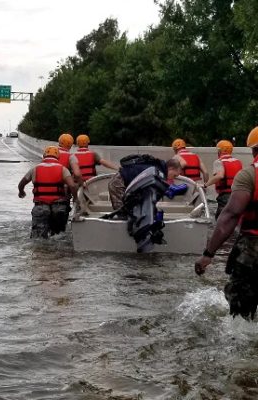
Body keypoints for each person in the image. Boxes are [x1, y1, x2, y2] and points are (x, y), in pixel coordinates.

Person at [195, 127, 258, 320]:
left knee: (241, 314)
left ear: (253, 149)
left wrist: (208, 254)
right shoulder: (239, 167)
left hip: (253, 246)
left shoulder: (249, 175)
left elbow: (230, 215)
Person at [18, 145, 78, 238]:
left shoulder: (35, 169)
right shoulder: (63, 169)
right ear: (58, 156)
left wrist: (21, 192)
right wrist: (75, 199)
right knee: (59, 237)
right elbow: (72, 186)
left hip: (40, 206)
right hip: (59, 207)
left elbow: (21, 183)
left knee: (38, 238)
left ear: (44, 155)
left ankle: (41, 251)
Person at [108, 155, 182, 216]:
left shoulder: (157, 167)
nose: (173, 178)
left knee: (129, 212)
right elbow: (149, 193)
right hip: (118, 183)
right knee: (122, 213)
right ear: (171, 168)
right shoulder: (158, 172)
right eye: (174, 175)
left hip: (122, 181)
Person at [202, 140, 243, 220]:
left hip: (226, 195)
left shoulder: (219, 162)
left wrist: (205, 185)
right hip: (238, 193)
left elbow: (220, 176)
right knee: (234, 217)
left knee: (221, 218)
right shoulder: (238, 162)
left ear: (220, 151)